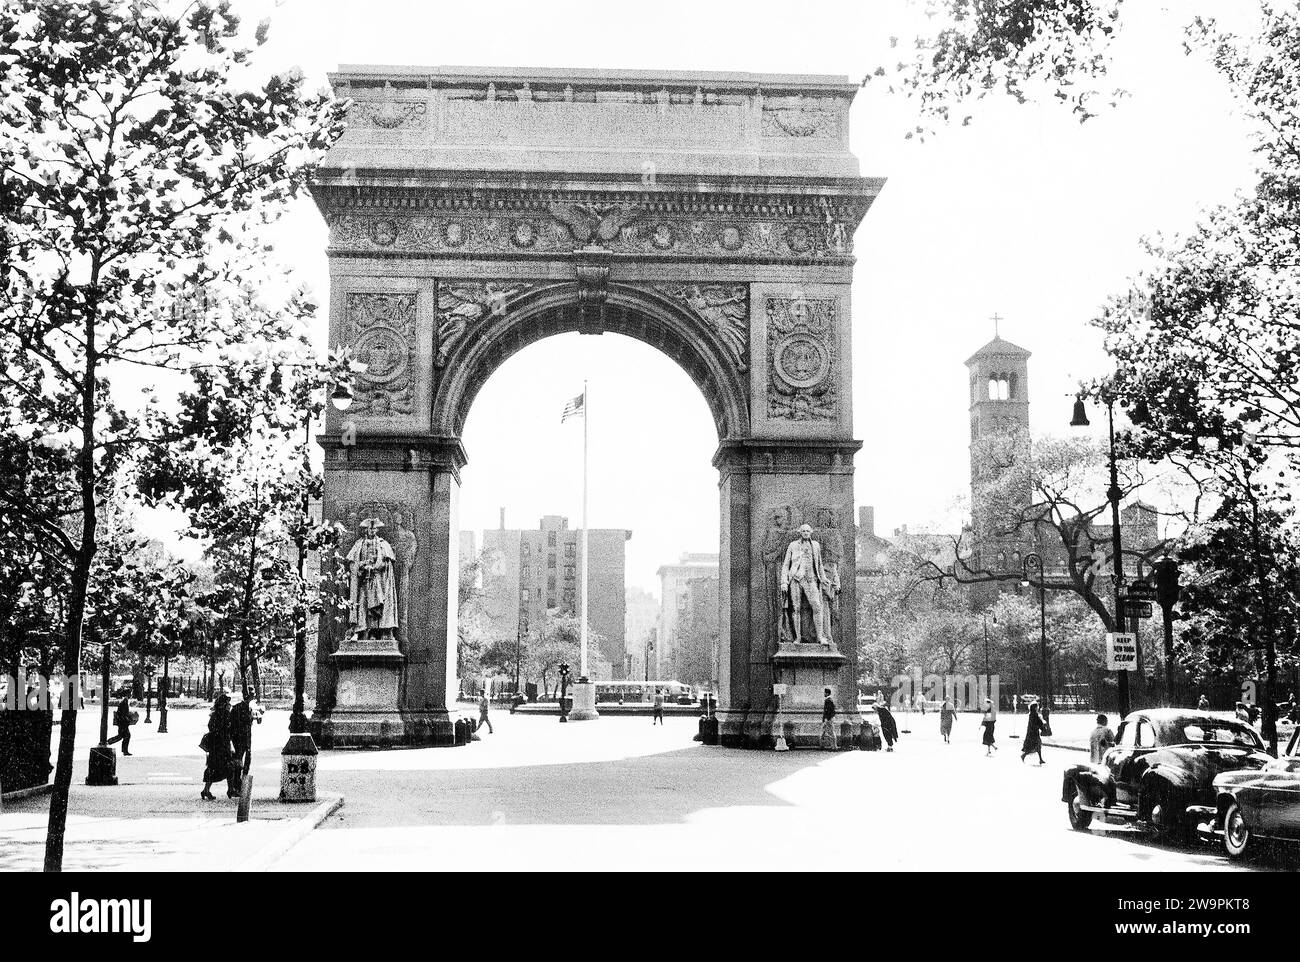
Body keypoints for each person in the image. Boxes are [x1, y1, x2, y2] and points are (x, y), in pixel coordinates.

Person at [201, 693, 234, 801]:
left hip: (215, 745)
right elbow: (229, 728)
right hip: (222, 744)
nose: (229, 704)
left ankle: (206, 790)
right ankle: (230, 789)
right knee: (228, 766)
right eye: (227, 702)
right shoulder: (225, 714)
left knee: (213, 767)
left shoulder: (215, 714)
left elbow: (211, 727)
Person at [228, 694, 259, 798]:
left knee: (246, 762)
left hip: (246, 739)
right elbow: (232, 724)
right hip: (239, 739)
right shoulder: (238, 708)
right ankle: (237, 785)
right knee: (239, 763)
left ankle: (241, 784)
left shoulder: (250, 708)